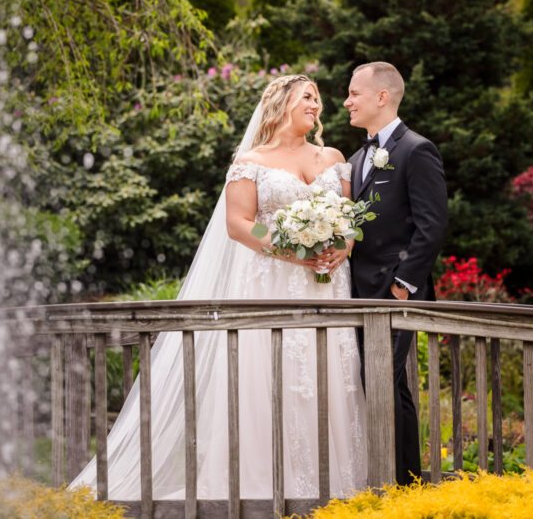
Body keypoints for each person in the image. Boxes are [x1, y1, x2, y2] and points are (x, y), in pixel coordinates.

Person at [70, 74, 368, 500]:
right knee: (273, 374)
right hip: (274, 282)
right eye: (308, 97)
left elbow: (348, 217)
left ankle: (338, 488)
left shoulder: (333, 156)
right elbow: (239, 224)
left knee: (329, 375)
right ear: (282, 102)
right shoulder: (252, 160)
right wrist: (292, 251)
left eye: (318, 99)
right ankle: (266, 488)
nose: (317, 106)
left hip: (328, 284)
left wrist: (344, 246)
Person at [344, 61, 448, 486]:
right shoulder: (355, 158)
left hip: (393, 291)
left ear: (382, 97)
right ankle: (405, 482)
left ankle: (399, 484)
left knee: (383, 380)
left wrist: (403, 285)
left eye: (354, 93)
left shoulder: (416, 150)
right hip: (355, 290)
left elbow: (432, 224)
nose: (347, 101)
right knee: (386, 384)